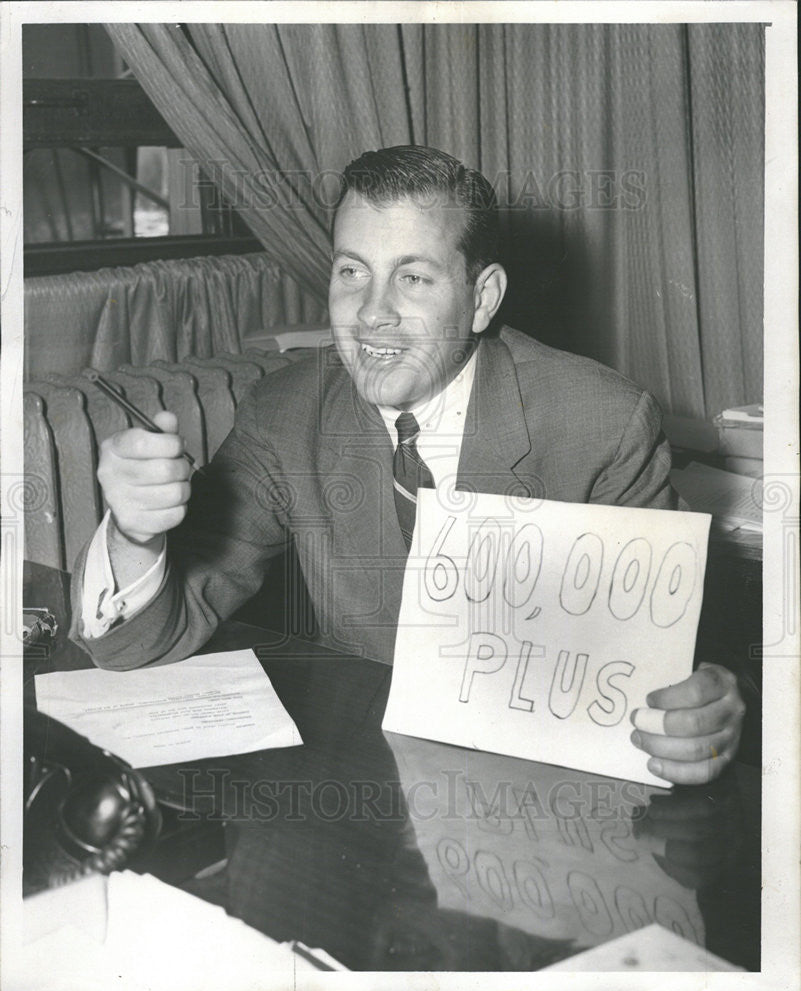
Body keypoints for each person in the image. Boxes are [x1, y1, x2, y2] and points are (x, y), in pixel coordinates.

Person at [70, 145, 745, 785]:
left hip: (531, 816)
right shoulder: (285, 413)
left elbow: (676, 670)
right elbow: (137, 647)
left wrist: (700, 710)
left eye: (413, 278)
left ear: (480, 298)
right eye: (351, 271)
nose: (371, 315)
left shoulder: (598, 422)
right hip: (360, 793)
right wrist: (136, 535)